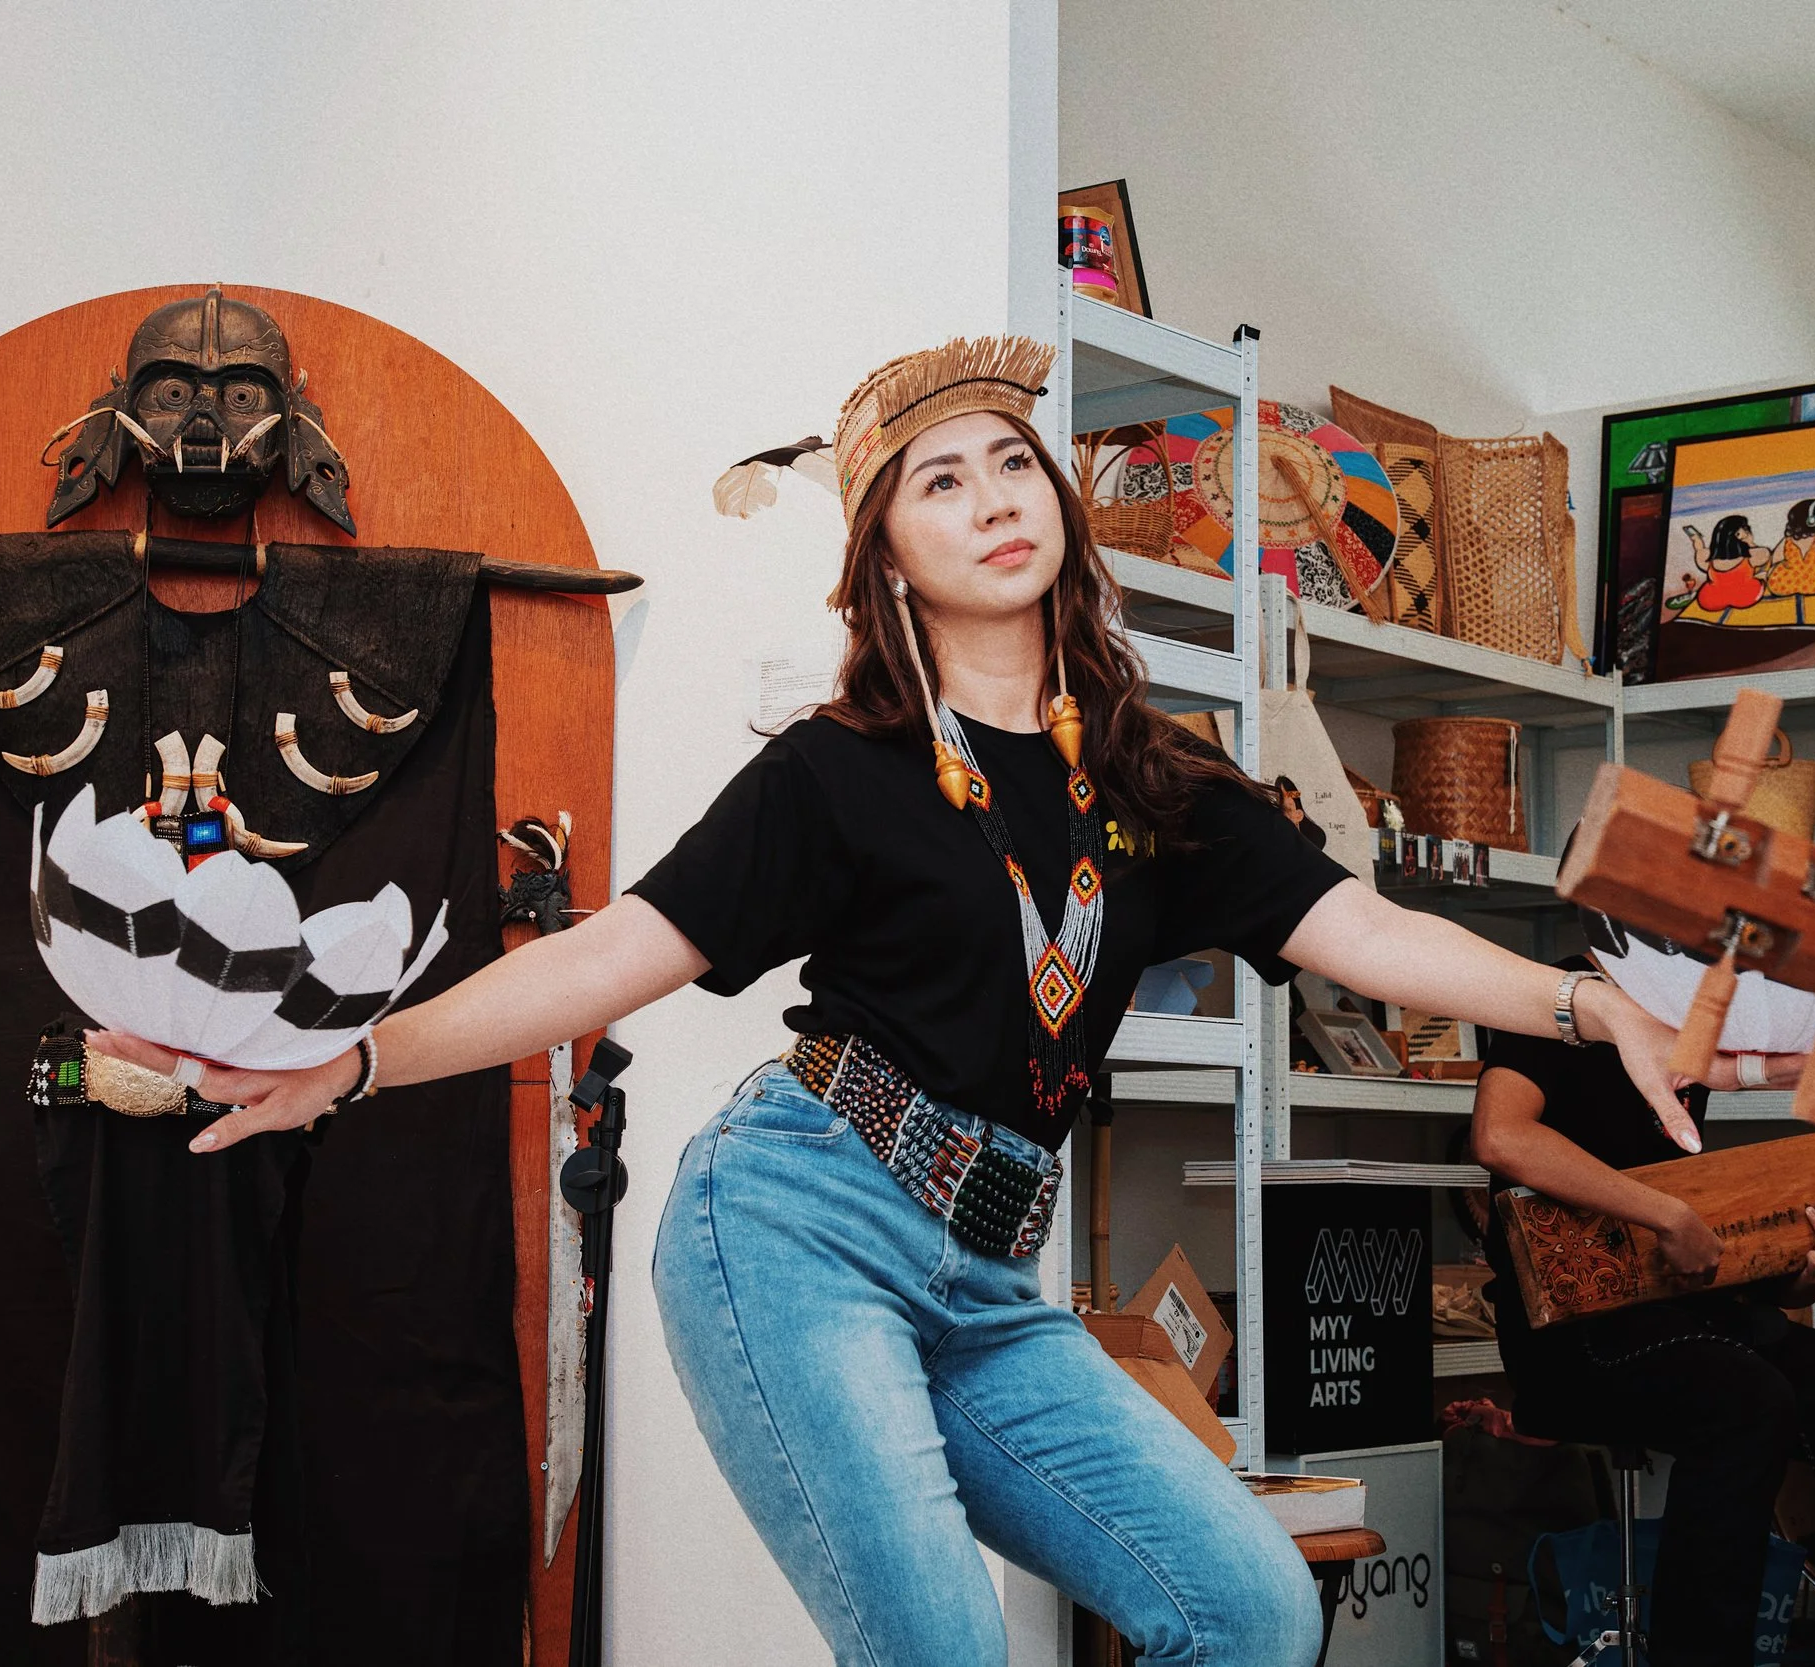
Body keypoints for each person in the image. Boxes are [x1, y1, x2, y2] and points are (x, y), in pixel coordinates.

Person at [93, 336, 1703, 1667]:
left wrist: (1576, 1001)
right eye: (943, 481)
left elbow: (1363, 928)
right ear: (886, 556)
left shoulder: (1159, 779)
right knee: (945, 1651)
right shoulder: (835, 776)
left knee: (1252, 1604)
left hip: (997, 1279)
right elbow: (606, 955)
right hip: (802, 1226)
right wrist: (358, 1060)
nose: (995, 498)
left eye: (1015, 463)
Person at [1472, 909, 1815, 1667]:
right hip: (1574, 1337)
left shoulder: (1681, 1017)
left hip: (1694, 1319)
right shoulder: (1557, 1000)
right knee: (1748, 1400)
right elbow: (1500, 1136)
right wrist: (1662, 1212)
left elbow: (1691, 1239)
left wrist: (1796, 1278)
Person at [1681, 514, 1770, 612]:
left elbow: (1699, 548)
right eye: (1745, 530)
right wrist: (1750, 542)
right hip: (1743, 598)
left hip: (1713, 601)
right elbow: (1765, 554)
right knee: (1763, 575)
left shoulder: (1709, 560)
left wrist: (1696, 538)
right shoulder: (1751, 556)